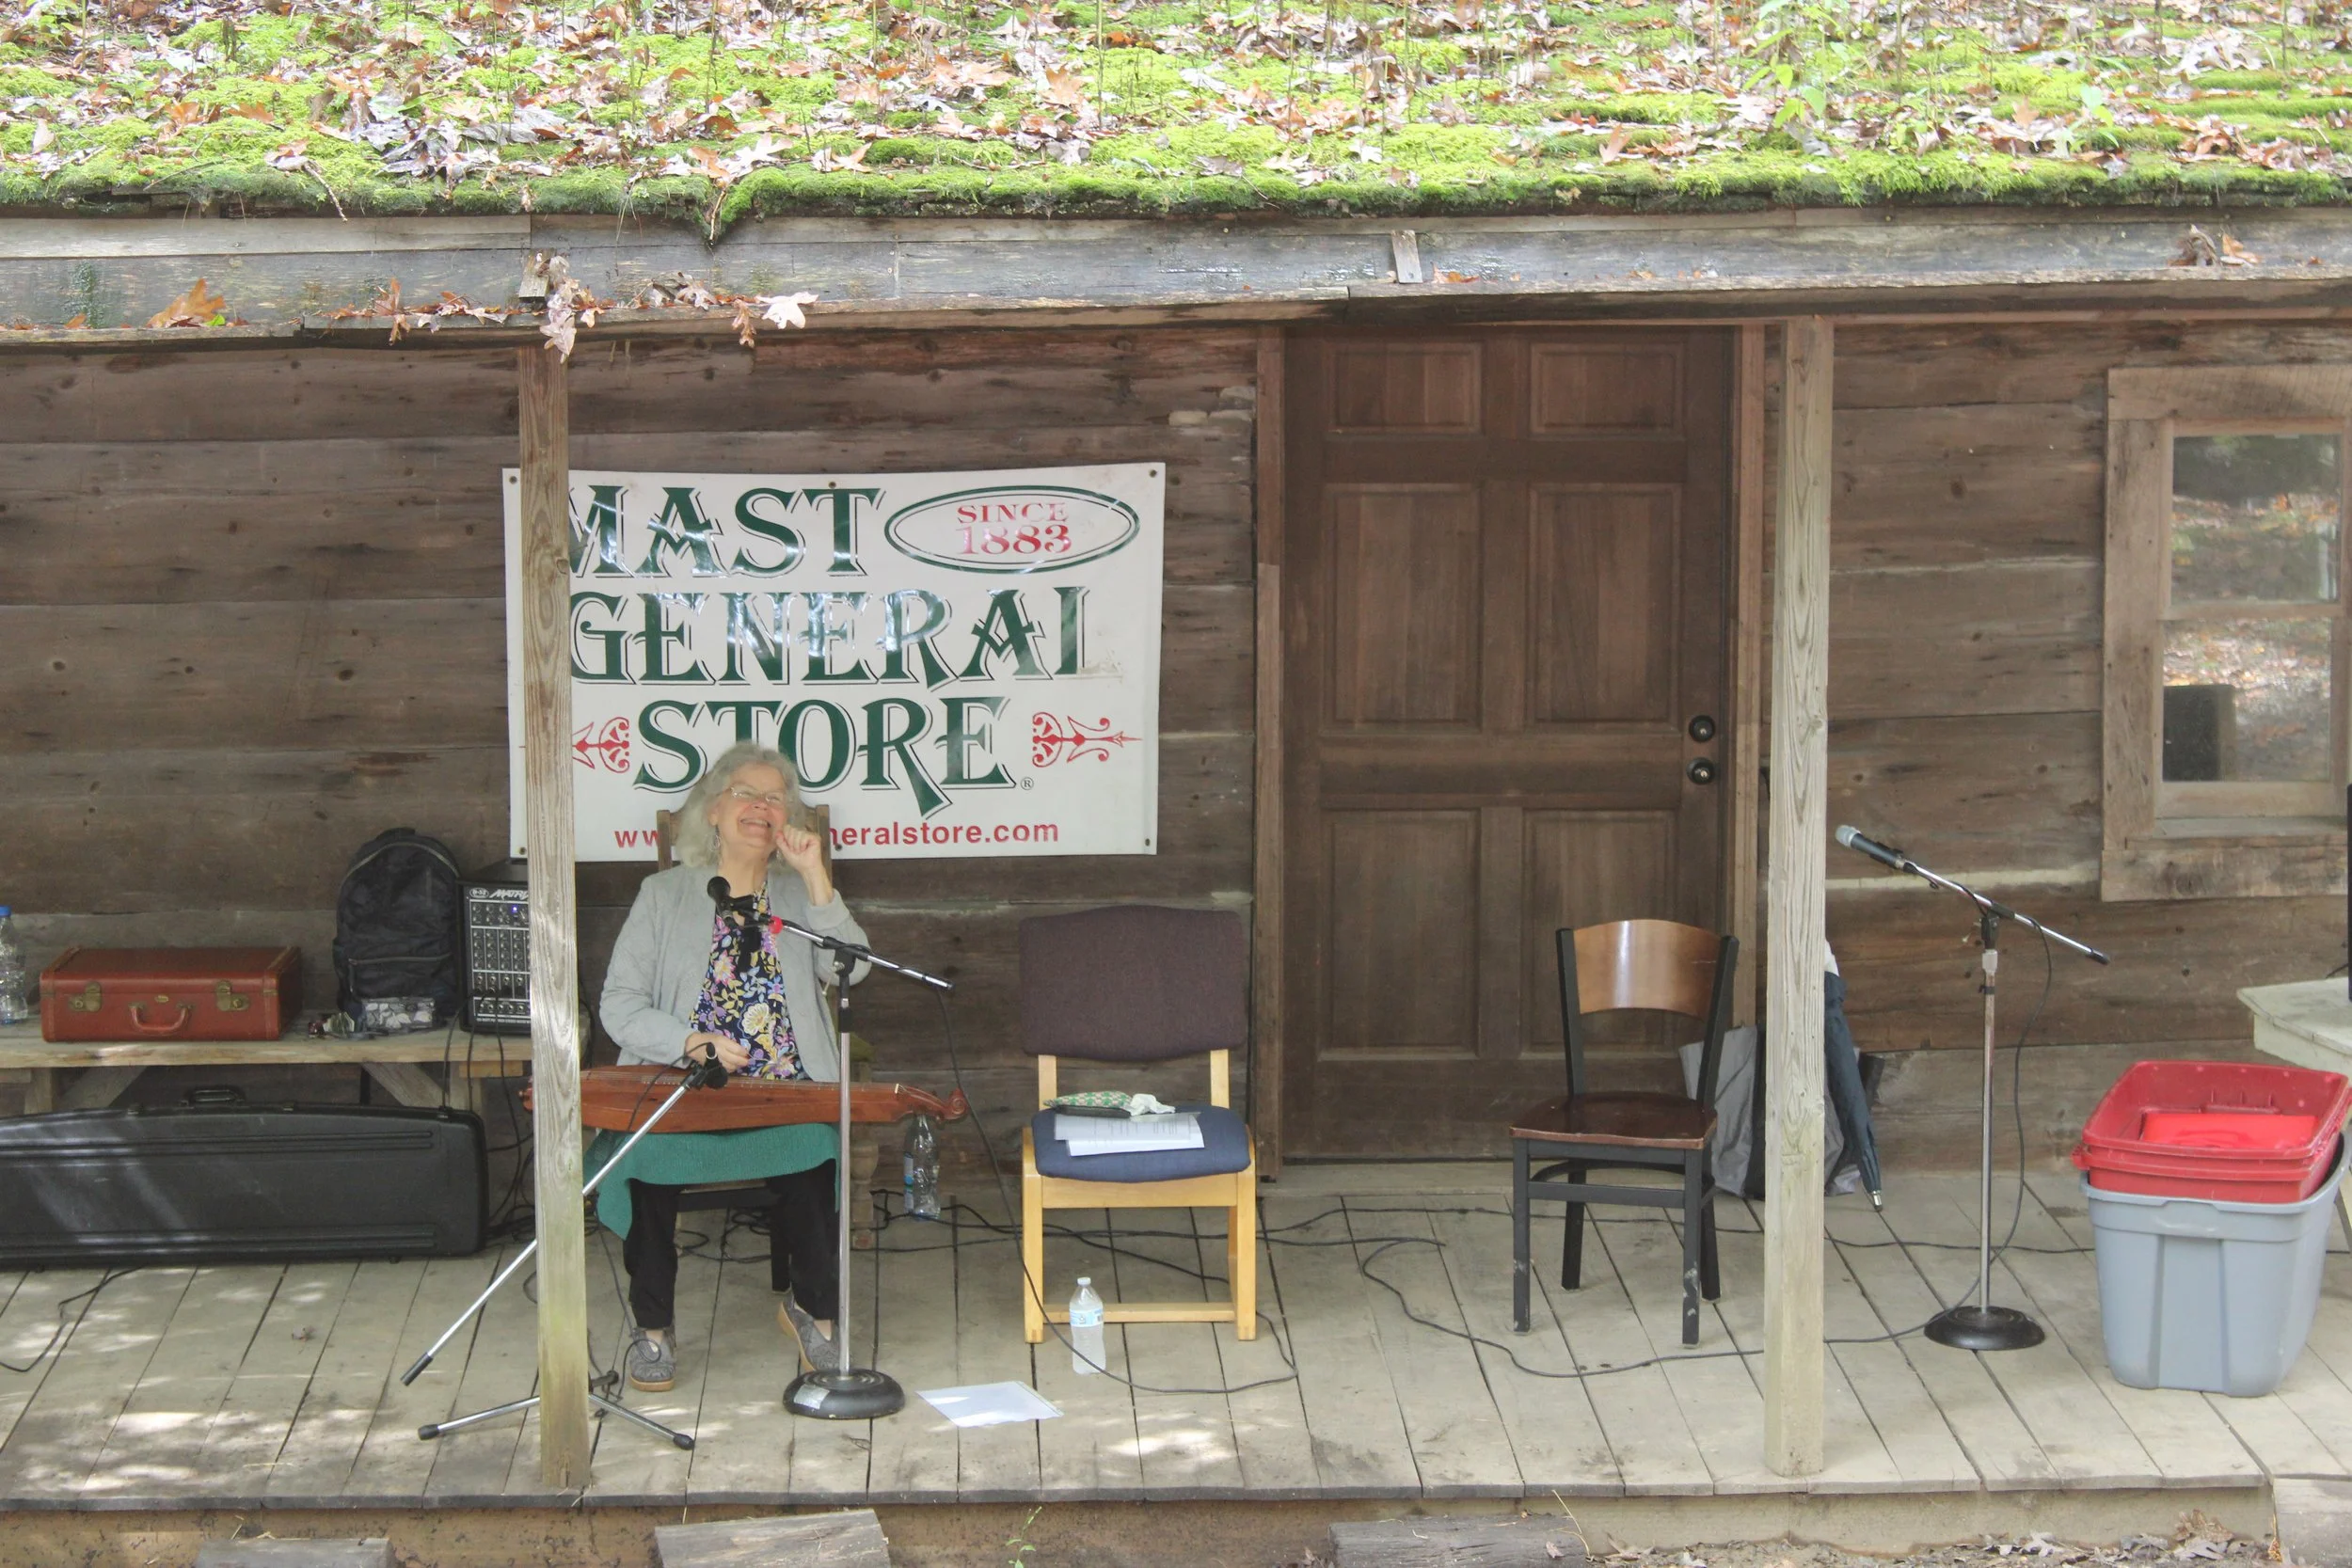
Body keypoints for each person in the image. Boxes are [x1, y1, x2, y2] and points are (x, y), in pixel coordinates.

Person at [598, 741, 869, 1394]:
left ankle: (815, 1314)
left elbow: (853, 968)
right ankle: (653, 1328)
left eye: (776, 797)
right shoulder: (663, 895)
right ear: (714, 811)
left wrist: (817, 878)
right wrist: (690, 1041)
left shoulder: (802, 898)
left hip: (785, 1093)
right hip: (682, 1090)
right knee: (650, 1163)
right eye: (746, 793)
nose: (762, 806)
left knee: (814, 1150)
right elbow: (618, 1004)